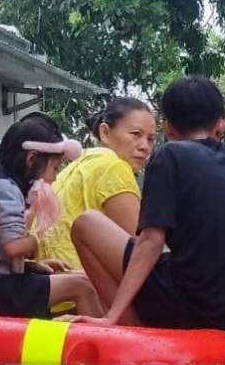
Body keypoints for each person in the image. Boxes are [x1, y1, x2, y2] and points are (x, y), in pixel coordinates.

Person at [70, 75, 225, 336]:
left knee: (86, 224)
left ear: (167, 128)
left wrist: (110, 315)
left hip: (200, 307)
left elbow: (151, 242)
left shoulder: (169, 156)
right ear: (219, 126)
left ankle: (128, 327)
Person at [0, 114, 105, 319]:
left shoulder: (7, 190)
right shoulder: (7, 190)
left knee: (80, 277)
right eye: (54, 168)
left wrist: (33, 266)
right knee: (82, 286)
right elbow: (13, 246)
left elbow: (0, 252)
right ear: (32, 159)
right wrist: (34, 241)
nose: (55, 177)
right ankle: (100, 344)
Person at [38, 97, 156, 270]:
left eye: (151, 139)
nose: (145, 147)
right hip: (83, 287)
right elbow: (144, 247)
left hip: (52, 285)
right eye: (136, 135)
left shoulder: (78, 165)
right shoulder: (113, 167)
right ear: (105, 133)